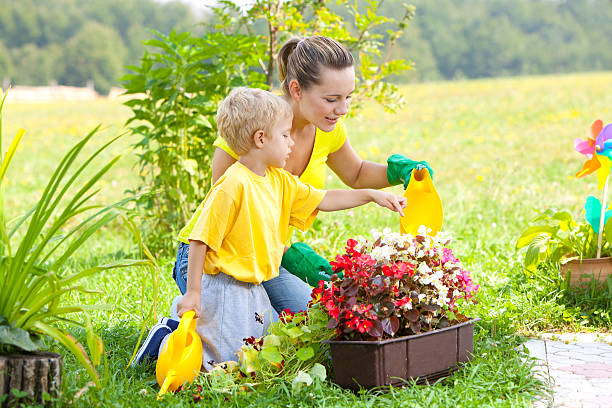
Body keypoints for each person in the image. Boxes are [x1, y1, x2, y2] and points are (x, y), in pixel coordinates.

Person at [132, 87, 407, 369]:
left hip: (252, 279)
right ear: (261, 139)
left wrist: (373, 195)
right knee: (225, 359)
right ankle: (166, 336)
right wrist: (194, 293)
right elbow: (200, 240)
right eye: (285, 136)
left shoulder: (279, 179)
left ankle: (198, 333)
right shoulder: (232, 185)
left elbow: (324, 199)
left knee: (261, 344)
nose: (292, 144)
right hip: (224, 279)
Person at [171, 36, 433, 316]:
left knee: (312, 319)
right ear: (296, 89)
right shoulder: (253, 125)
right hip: (218, 258)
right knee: (256, 328)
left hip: (265, 260)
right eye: (331, 99)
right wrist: (289, 254)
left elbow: (355, 173)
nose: (342, 109)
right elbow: (228, 218)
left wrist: (398, 172)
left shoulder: (328, 128)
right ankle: (173, 326)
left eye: (347, 97)